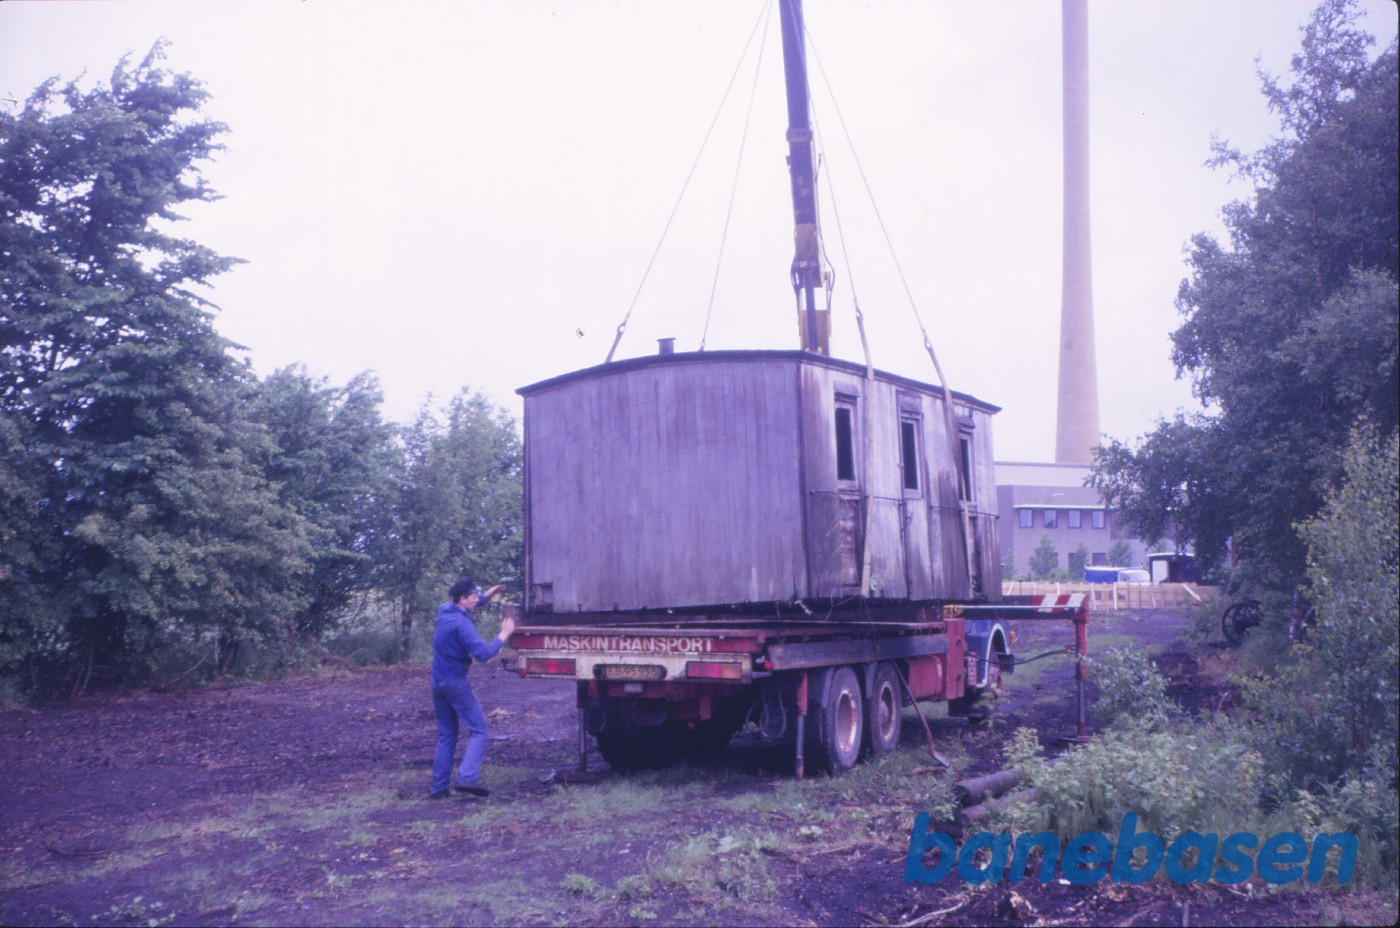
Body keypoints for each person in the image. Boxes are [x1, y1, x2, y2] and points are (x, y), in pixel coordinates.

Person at [428, 578, 515, 799]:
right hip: (455, 683)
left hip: (437, 681)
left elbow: (476, 600)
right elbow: (483, 654)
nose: (477, 599)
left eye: (478, 595)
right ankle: (467, 778)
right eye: (473, 596)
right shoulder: (462, 625)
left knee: (447, 734)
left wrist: (490, 593)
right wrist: (504, 634)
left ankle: (438, 789)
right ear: (463, 599)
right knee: (480, 731)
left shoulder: (445, 610)